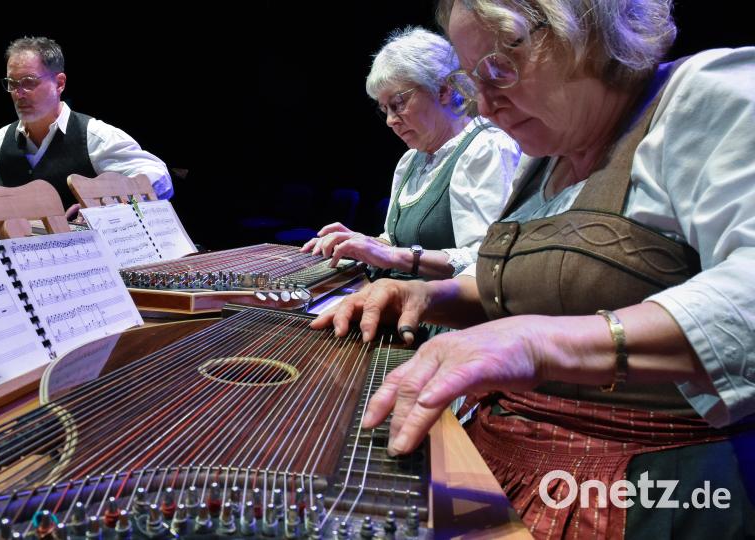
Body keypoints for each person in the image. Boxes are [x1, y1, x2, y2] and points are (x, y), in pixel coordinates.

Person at [313, 0, 755, 537]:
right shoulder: (543, 154)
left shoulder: (709, 94)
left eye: (499, 66)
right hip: (502, 452)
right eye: (473, 78)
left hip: (650, 485)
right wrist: (431, 298)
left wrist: (535, 344)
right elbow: (525, 290)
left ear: (590, 29)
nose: (482, 103)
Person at [300, 27, 519, 280]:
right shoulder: (410, 160)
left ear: (443, 90)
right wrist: (365, 244)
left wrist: (393, 256)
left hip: (447, 315)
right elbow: (394, 244)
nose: (390, 121)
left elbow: (486, 261)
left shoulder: (485, 149)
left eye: (398, 104)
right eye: (385, 109)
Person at [0, 36, 172, 218]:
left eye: (29, 82)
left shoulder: (93, 136)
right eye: (12, 84)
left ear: (59, 83)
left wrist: (109, 209)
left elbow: (159, 179)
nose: (19, 93)